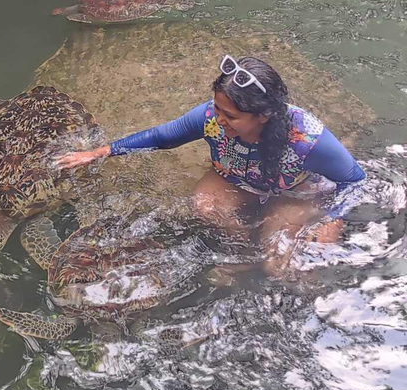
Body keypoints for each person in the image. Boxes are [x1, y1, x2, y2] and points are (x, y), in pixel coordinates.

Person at [55, 55, 365, 277]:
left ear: (264, 115)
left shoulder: (306, 138)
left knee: (281, 266)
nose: (219, 119)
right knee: (204, 206)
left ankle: (265, 259)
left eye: (230, 116)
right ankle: (244, 254)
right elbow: (163, 136)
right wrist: (102, 151)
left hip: (291, 192)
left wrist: (334, 218)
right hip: (233, 179)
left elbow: (355, 179)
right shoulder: (210, 118)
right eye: (217, 108)